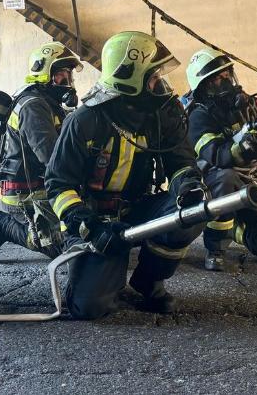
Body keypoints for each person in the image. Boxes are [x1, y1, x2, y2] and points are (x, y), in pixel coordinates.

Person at [45, 31, 206, 319]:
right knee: (90, 309)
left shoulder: (161, 116)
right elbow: (58, 185)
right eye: (154, 77)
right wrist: (90, 227)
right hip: (95, 221)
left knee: (192, 211)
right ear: (130, 78)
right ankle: (104, 270)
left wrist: (188, 185)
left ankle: (148, 280)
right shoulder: (84, 120)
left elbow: (180, 162)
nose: (161, 84)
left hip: (138, 210)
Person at [184, 48, 257, 270]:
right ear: (204, 87)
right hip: (214, 185)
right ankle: (215, 248)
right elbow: (221, 156)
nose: (226, 81)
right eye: (218, 78)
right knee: (225, 176)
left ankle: (235, 226)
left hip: (249, 183)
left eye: (227, 74)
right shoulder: (198, 117)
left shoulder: (247, 105)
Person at [0, 42, 83, 262]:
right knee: (61, 249)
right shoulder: (34, 106)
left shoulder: (47, 102)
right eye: (60, 76)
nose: (67, 82)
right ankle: (2, 225)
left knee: (79, 236)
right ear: (45, 75)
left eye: (68, 76)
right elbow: (49, 156)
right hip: (25, 193)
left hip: (41, 186)